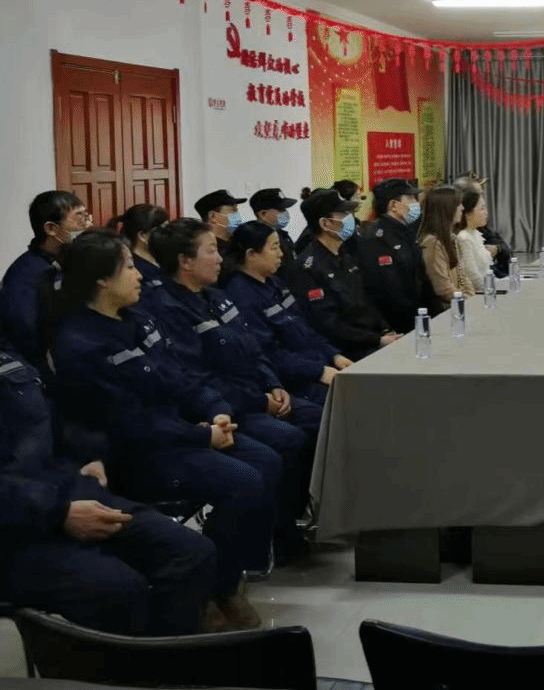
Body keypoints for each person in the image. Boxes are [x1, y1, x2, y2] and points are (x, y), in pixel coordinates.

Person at [50, 232, 280, 630]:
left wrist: (217, 411)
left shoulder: (137, 318)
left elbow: (181, 376)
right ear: (102, 279)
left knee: (267, 460)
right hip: (137, 455)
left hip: (178, 433)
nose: (140, 275)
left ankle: (224, 577)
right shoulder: (79, 343)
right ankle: (215, 588)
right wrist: (202, 437)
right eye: (129, 267)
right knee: (242, 480)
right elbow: (129, 422)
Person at [1, 323, 218, 636]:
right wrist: (58, 513)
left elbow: (52, 416)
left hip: (62, 488)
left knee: (191, 552)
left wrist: (88, 454)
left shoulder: (9, 349)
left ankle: (166, 660)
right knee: (119, 589)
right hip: (18, 524)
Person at [148, 219, 322, 564]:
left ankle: (291, 519)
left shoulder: (217, 296)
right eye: (211, 251)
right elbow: (197, 378)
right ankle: (273, 536)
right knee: (285, 441)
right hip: (227, 406)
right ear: (185, 261)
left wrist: (273, 384)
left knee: (322, 420)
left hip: (257, 391)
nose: (220, 259)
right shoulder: (168, 309)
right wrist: (259, 401)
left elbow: (255, 349)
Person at [224, 222, 353, 405]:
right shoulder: (241, 294)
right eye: (274, 248)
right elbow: (268, 353)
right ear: (251, 254)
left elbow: (304, 329)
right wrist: (319, 371)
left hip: (314, 365)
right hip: (291, 381)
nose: (281, 254)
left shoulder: (274, 283)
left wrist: (334, 355)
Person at [290, 189, 400, 360]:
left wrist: (384, 329)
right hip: (347, 353)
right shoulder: (309, 268)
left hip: (371, 340)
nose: (350, 218)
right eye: (343, 214)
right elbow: (328, 324)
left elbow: (365, 301)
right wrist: (377, 340)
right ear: (325, 223)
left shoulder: (345, 256)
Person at [0, 191, 90, 368]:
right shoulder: (26, 275)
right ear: (51, 229)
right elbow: (28, 338)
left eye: (87, 216)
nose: (87, 225)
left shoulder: (72, 261)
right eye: (79, 218)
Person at [357, 178, 439, 331]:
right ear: (393, 205)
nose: (416, 203)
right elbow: (386, 291)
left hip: (419, 318)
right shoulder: (375, 238)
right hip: (398, 325)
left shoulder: (406, 232)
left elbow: (421, 277)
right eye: (410, 198)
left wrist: (436, 315)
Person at [420, 185, 478, 309]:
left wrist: (472, 299)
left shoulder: (452, 239)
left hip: (459, 304)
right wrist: (469, 302)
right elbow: (443, 289)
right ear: (447, 209)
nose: (462, 208)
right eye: (458, 205)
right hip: (446, 310)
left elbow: (463, 277)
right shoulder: (432, 243)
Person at [454, 173, 511, 276]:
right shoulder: (461, 236)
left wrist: (498, 249)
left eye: (481, 194)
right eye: (477, 195)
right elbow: (472, 275)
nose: (481, 199)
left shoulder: (478, 231)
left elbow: (505, 250)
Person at [113, 203, 169, 308]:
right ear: (143, 235)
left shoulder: (165, 260)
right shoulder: (131, 267)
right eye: (163, 231)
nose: (169, 236)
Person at [193, 189, 247, 284]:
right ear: (213, 216)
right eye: (233, 211)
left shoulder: (242, 243)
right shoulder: (202, 249)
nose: (237, 216)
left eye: (237, 211)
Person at [248, 188, 299, 283]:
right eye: (280, 209)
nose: (285, 213)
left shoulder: (283, 235)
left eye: (285, 209)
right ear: (263, 214)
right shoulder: (256, 241)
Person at [457, 189, 495, 292]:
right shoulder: (464, 238)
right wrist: (490, 289)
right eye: (482, 209)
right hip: (477, 293)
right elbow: (472, 277)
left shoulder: (476, 234)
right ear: (468, 213)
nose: (486, 213)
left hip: (486, 289)